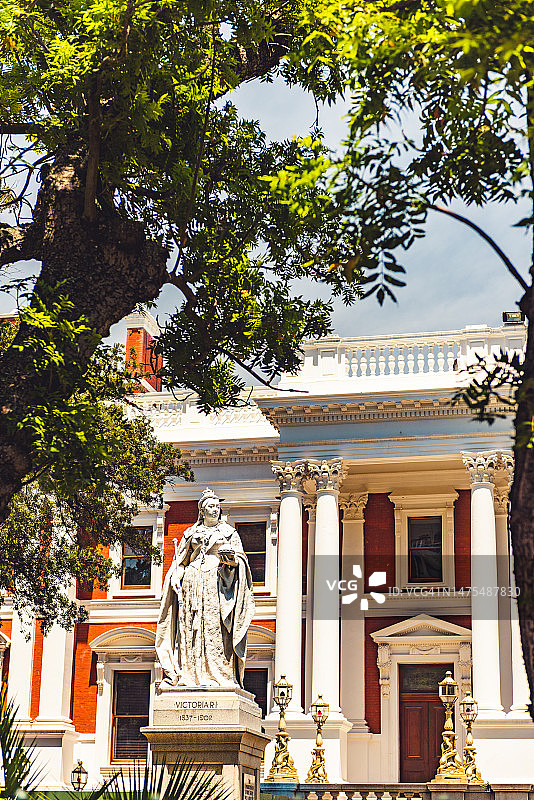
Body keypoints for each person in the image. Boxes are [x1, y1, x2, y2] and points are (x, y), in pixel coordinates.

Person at [155, 488, 255, 689]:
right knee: (192, 629)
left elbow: (241, 560)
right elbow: (181, 562)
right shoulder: (191, 533)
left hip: (218, 583)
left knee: (216, 627)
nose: (215, 509)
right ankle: (191, 674)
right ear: (202, 510)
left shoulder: (229, 533)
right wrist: (176, 576)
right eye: (211, 506)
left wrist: (231, 560)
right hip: (192, 584)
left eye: (217, 506)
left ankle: (221, 675)